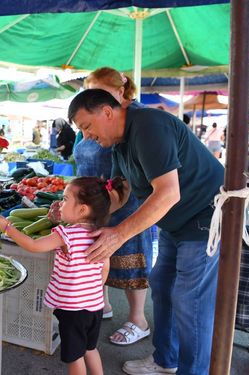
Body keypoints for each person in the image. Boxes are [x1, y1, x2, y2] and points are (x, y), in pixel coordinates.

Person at [68, 89, 224, 375]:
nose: (87, 136)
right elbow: (120, 191)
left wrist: (118, 234)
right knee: (162, 288)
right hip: (173, 224)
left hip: (204, 216)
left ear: (106, 112)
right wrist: (81, 216)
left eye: (87, 126)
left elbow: (167, 193)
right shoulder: (118, 143)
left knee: (191, 301)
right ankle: (166, 360)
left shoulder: (149, 125)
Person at [0, 176, 125, 375]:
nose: (60, 204)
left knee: (75, 357)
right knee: (90, 349)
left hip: (72, 310)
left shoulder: (66, 235)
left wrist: (7, 228)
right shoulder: (101, 236)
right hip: (94, 307)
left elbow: (34, 245)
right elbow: (104, 269)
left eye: (65, 199)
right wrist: (91, 293)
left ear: (82, 210)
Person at [77, 67, 153, 346]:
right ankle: (102, 305)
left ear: (121, 92)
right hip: (93, 199)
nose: (95, 100)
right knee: (94, 256)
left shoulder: (138, 120)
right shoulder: (88, 120)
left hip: (128, 202)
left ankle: (138, 319)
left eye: (101, 94)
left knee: (132, 258)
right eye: (90, 94)